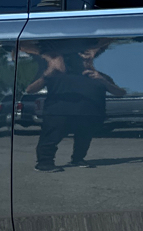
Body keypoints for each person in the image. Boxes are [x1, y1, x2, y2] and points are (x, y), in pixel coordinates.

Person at [26, 41, 124, 170]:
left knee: (84, 140)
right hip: (58, 113)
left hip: (89, 114)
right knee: (50, 139)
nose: (87, 62)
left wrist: (103, 81)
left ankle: (78, 159)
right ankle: (44, 163)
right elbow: (30, 90)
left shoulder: (99, 76)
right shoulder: (58, 73)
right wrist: (45, 76)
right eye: (83, 58)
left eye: (89, 59)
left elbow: (120, 93)